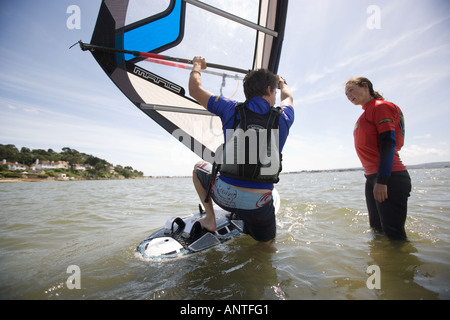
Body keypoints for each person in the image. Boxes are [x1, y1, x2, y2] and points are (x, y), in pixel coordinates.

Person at [188, 56, 294, 242]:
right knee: (266, 247)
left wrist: (197, 65)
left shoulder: (229, 108)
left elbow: (194, 90)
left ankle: (210, 219)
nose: (276, 96)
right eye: (274, 92)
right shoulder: (284, 117)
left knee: (198, 167)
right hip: (258, 205)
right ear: (269, 89)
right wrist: (282, 83)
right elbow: (288, 97)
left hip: (224, 196)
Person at [345, 77, 411, 240]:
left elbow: (388, 141)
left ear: (365, 86)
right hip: (372, 178)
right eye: (346, 94)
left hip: (389, 178)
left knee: (394, 236)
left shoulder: (380, 107)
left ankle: (403, 265)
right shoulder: (366, 113)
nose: (348, 95)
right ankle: (380, 264)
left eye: (351, 90)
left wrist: (382, 180)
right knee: (377, 230)